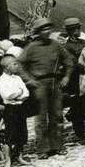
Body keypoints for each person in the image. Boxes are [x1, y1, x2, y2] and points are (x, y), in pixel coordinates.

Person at [17, 18, 73, 159]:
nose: (47, 31)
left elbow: (68, 62)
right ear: (38, 32)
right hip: (39, 85)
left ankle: (58, 146)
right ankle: (42, 149)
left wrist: (66, 77)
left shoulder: (56, 45)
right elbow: (20, 65)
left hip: (55, 82)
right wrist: (29, 80)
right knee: (41, 118)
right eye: (43, 29)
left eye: (49, 28)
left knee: (57, 116)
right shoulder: (31, 47)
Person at [0, 54, 32, 167]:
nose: (17, 66)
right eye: (14, 64)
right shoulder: (1, 80)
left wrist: (19, 95)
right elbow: (7, 95)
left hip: (20, 108)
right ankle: (8, 160)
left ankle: (19, 156)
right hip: (10, 109)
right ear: (7, 67)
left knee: (22, 132)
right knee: (10, 135)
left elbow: (26, 93)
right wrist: (19, 92)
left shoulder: (18, 78)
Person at [62, 18, 85, 142]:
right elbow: (74, 64)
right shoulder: (67, 47)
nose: (79, 30)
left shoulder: (82, 42)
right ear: (72, 31)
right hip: (75, 80)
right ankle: (80, 133)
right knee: (77, 106)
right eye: (78, 28)